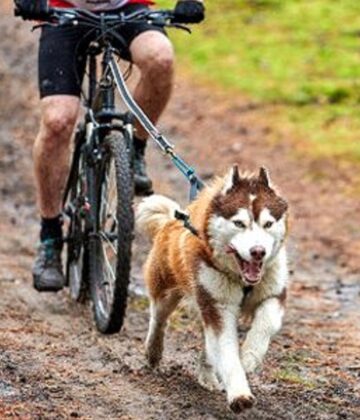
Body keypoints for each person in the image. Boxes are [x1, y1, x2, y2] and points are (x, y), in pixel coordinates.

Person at [14, 0, 205, 292]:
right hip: (63, 11)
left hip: (129, 8)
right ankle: (50, 237)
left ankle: (135, 152)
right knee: (57, 121)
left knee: (161, 59)